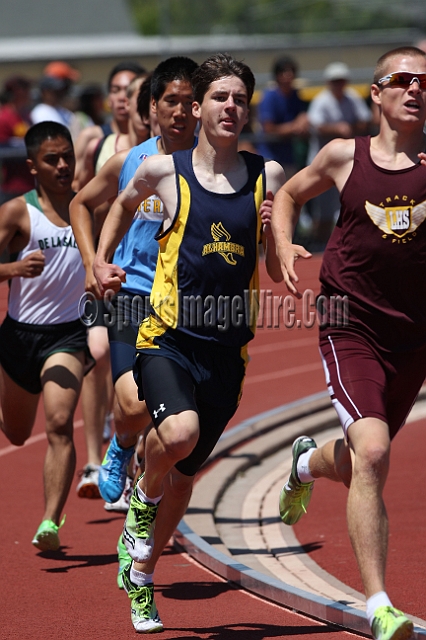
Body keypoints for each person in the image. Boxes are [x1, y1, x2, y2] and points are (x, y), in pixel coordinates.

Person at [93, 52, 285, 633]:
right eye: (221, 97)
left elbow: (275, 272)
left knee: (184, 476)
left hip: (229, 353)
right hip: (168, 338)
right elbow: (120, 208)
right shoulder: (163, 172)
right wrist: (102, 262)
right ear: (198, 107)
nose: (232, 107)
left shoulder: (266, 176)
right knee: (179, 434)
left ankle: (143, 577)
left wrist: (280, 237)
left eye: (240, 99)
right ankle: (137, 514)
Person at [271, 46, 426, 640]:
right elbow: (287, 195)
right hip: (349, 322)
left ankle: (305, 463)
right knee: (376, 452)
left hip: (413, 335)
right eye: (403, 81)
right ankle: (380, 605)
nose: (416, 90)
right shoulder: (344, 156)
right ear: (377, 93)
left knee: (366, 456)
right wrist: (283, 247)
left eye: (425, 83)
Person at [70, 57, 198, 569]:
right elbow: (82, 203)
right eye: (171, 101)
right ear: (151, 110)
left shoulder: (210, 166)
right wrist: (93, 262)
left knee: (169, 421)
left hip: (187, 306)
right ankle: (122, 442)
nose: (183, 112)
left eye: (191, 102)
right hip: (132, 293)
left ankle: (131, 456)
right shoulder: (131, 161)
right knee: (132, 400)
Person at [0, 121, 92, 551]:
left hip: (68, 336)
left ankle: (50, 521)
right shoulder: (19, 212)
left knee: (58, 423)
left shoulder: (86, 206)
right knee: (17, 435)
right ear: (33, 165)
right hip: (20, 337)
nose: (62, 165)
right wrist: (12, 269)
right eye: (51, 159)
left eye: (67, 156)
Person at [75, 74, 150, 501]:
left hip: (177, 293)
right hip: (119, 276)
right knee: (101, 357)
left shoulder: (196, 160)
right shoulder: (107, 148)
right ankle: (97, 455)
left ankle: (140, 475)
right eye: (120, 91)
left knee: (165, 406)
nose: (126, 100)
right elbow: (80, 196)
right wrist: (94, 261)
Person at [307, 61, 372, 246]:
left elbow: (364, 120)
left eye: (341, 80)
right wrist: (337, 129)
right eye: (335, 80)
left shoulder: (351, 97)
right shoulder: (321, 100)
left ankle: (346, 244)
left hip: (348, 162)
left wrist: (349, 128)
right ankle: (319, 245)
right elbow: (316, 125)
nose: (339, 84)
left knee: (348, 206)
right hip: (322, 163)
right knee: (324, 210)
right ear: (329, 82)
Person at [73, 61, 146, 188]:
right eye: (115, 90)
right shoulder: (91, 138)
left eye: (129, 90)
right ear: (108, 99)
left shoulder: (156, 138)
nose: (122, 97)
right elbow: (74, 186)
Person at [257, 55, 309, 176]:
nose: (288, 75)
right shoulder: (269, 97)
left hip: (289, 159)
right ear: (277, 75)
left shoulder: (295, 96)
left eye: (291, 71)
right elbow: (269, 129)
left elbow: (303, 117)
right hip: (270, 159)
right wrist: (293, 127)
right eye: (284, 72)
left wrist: (303, 120)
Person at [0, 75, 34, 205]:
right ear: (16, 92)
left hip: (30, 184)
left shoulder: (27, 116)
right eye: (26, 89)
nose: (29, 93)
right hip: (12, 186)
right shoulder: (4, 116)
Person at [30, 61, 81, 130]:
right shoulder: (41, 112)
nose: (63, 93)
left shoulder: (65, 112)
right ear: (45, 91)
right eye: (60, 89)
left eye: (66, 88)